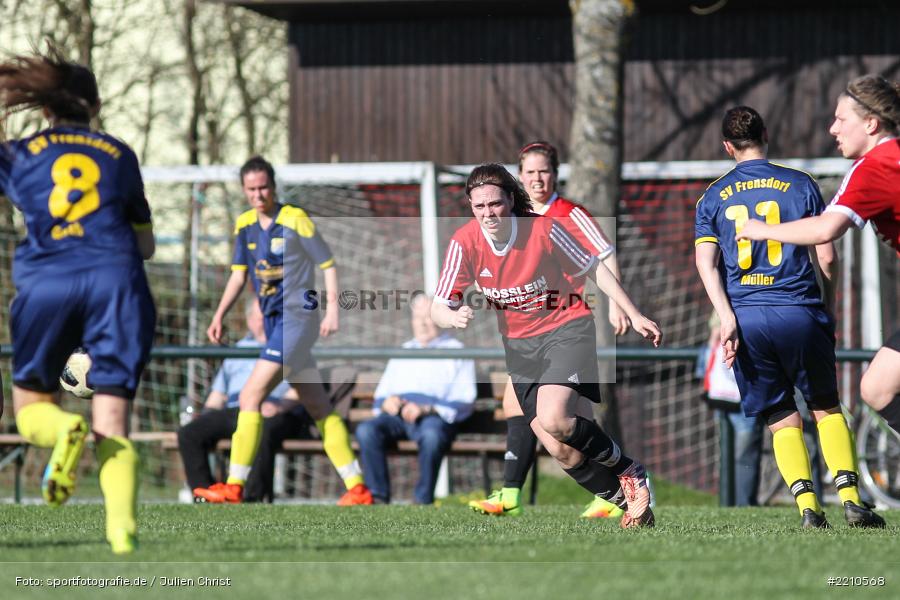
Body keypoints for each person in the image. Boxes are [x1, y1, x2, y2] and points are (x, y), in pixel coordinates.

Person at [432, 163, 662, 528]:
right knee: (560, 449)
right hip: (520, 347)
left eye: (495, 204)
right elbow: (438, 304)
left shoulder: (544, 230)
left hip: (566, 329)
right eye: (479, 207)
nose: (488, 214)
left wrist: (631, 312)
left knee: (556, 418)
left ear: (510, 199)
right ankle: (627, 502)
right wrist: (451, 316)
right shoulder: (465, 242)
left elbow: (595, 268)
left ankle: (630, 471)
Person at [695, 105, 883, 527]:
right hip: (798, 309)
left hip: (746, 317)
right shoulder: (801, 184)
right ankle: (852, 500)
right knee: (826, 406)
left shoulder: (711, 195)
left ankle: (808, 510)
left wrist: (725, 316)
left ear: (728, 147)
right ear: (767, 135)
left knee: (780, 418)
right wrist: (827, 302)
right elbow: (827, 255)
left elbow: (706, 265)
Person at [0, 49, 156, 554]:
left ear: (45, 108)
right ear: (96, 104)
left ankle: (64, 426)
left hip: (47, 283)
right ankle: (122, 534)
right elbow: (146, 246)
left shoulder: (21, 154)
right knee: (113, 422)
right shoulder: (118, 154)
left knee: (29, 410)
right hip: (117, 282)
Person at [193, 156, 372, 505]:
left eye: (264, 187)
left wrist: (332, 310)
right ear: (244, 191)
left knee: (249, 396)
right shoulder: (244, 225)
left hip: (298, 320)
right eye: (251, 189)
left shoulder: (295, 219)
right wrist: (218, 315)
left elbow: (328, 264)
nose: (259, 194)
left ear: (273, 187)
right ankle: (357, 488)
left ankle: (234, 485)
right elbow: (238, 275)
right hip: (276, 324)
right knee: (319, 407)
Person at [469, 141, 628, 519]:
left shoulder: (568, 214)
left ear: (555, 174)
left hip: (566, 324)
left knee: (562, 415)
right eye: (530, 173)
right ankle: (610, 488)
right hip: (525, 330)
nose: (537, 179)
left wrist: (619, 307)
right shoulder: (507, 218)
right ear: (518, 179)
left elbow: (603, 258)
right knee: (562, 416)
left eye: (544, 171)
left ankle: (617, 483)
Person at [738, 75, 900, 436]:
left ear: (871, 124)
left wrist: (763, 230)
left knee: (878, 387)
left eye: (842, 119)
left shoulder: (872, 168)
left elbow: (825, 230)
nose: (832, 129)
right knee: (877, 387)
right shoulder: (891, 157)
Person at [180, 299, 313, 503]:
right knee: (189, 433)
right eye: (261, 317)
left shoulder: (289, 345)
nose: (265, 321)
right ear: (250, 320)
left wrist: (279, 405)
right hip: (236, 409)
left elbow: (308, 386)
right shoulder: (238, 350)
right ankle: (205, 496)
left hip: (273, 410)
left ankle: (252, 499)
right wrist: (206, 414)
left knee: (261, 430)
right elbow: (218, 395)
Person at [355, 292, 477, 504]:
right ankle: (378, 497)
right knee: (366, 430)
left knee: (432, 435)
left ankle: (422, 501)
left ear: (440, 318)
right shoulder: (404, 351)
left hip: (433, 417)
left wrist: (426, 408)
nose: (422, 324)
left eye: (427, 317)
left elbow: (465, 399)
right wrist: (387, 402)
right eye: (417, 318)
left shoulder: (457, 351)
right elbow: (382, 394)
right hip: (398, 416)